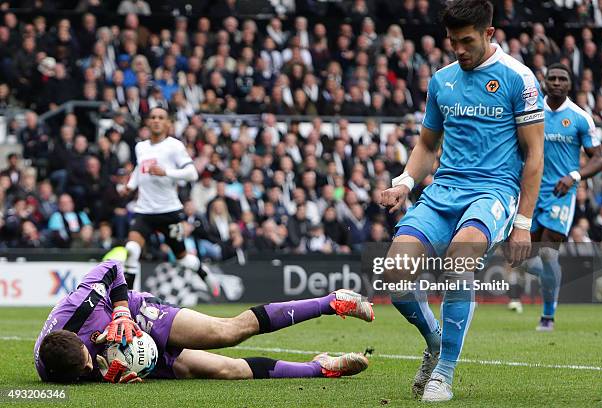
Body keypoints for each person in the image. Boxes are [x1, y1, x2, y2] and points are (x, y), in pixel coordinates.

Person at [379, 0, 544, 402]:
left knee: (459, 258)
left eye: (466, 41)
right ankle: (435, 344)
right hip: (443, 190)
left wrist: (523, 223)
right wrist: (404, 181)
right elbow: (427, 144)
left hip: (494, 192)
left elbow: (535, 155)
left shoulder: (518, 79)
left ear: (489, 34)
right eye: (452, 41)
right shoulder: (442, 80)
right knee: (393, 275)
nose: (458, 49)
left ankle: (445, 373)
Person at [34, 260, 374, 383]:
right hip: (127, 345)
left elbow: (111, 267)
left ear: (78, 339)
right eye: (84, 372)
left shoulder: (78, 307)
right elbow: (87, 367)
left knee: (226, 332)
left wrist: (120, 311)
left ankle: (331, 302)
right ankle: (320, 368)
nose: (87, 369)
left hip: (138, 315)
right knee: (224, 370)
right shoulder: (54, 370)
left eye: (86, 362)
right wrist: (112, 369)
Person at [507, 63, 602, 331]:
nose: (557, 82)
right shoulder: (532, 112)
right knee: (520, 258)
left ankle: (548, 316)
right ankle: (552, 280)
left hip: (560, 193)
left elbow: (598, 158)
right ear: (545, 82)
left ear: (570, 85)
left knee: (548, 253)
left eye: (563, 78)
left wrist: (574, 176)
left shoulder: (580, 117)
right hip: (530, 191)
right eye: (553, 78)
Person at [120, 106, 206, 290]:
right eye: (153, 117)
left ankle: (201, 270)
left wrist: (165, 172)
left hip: (169, 211)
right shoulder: (141, 147)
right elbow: (139, 168)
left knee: (183, 259)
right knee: (132, 250)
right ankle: (127, 300)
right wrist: (130, 186)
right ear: (148, 122)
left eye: (161, 117)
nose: (156, 120)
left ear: (167, 123)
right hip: (144, 210)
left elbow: (192, 173)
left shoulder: (174, 146)